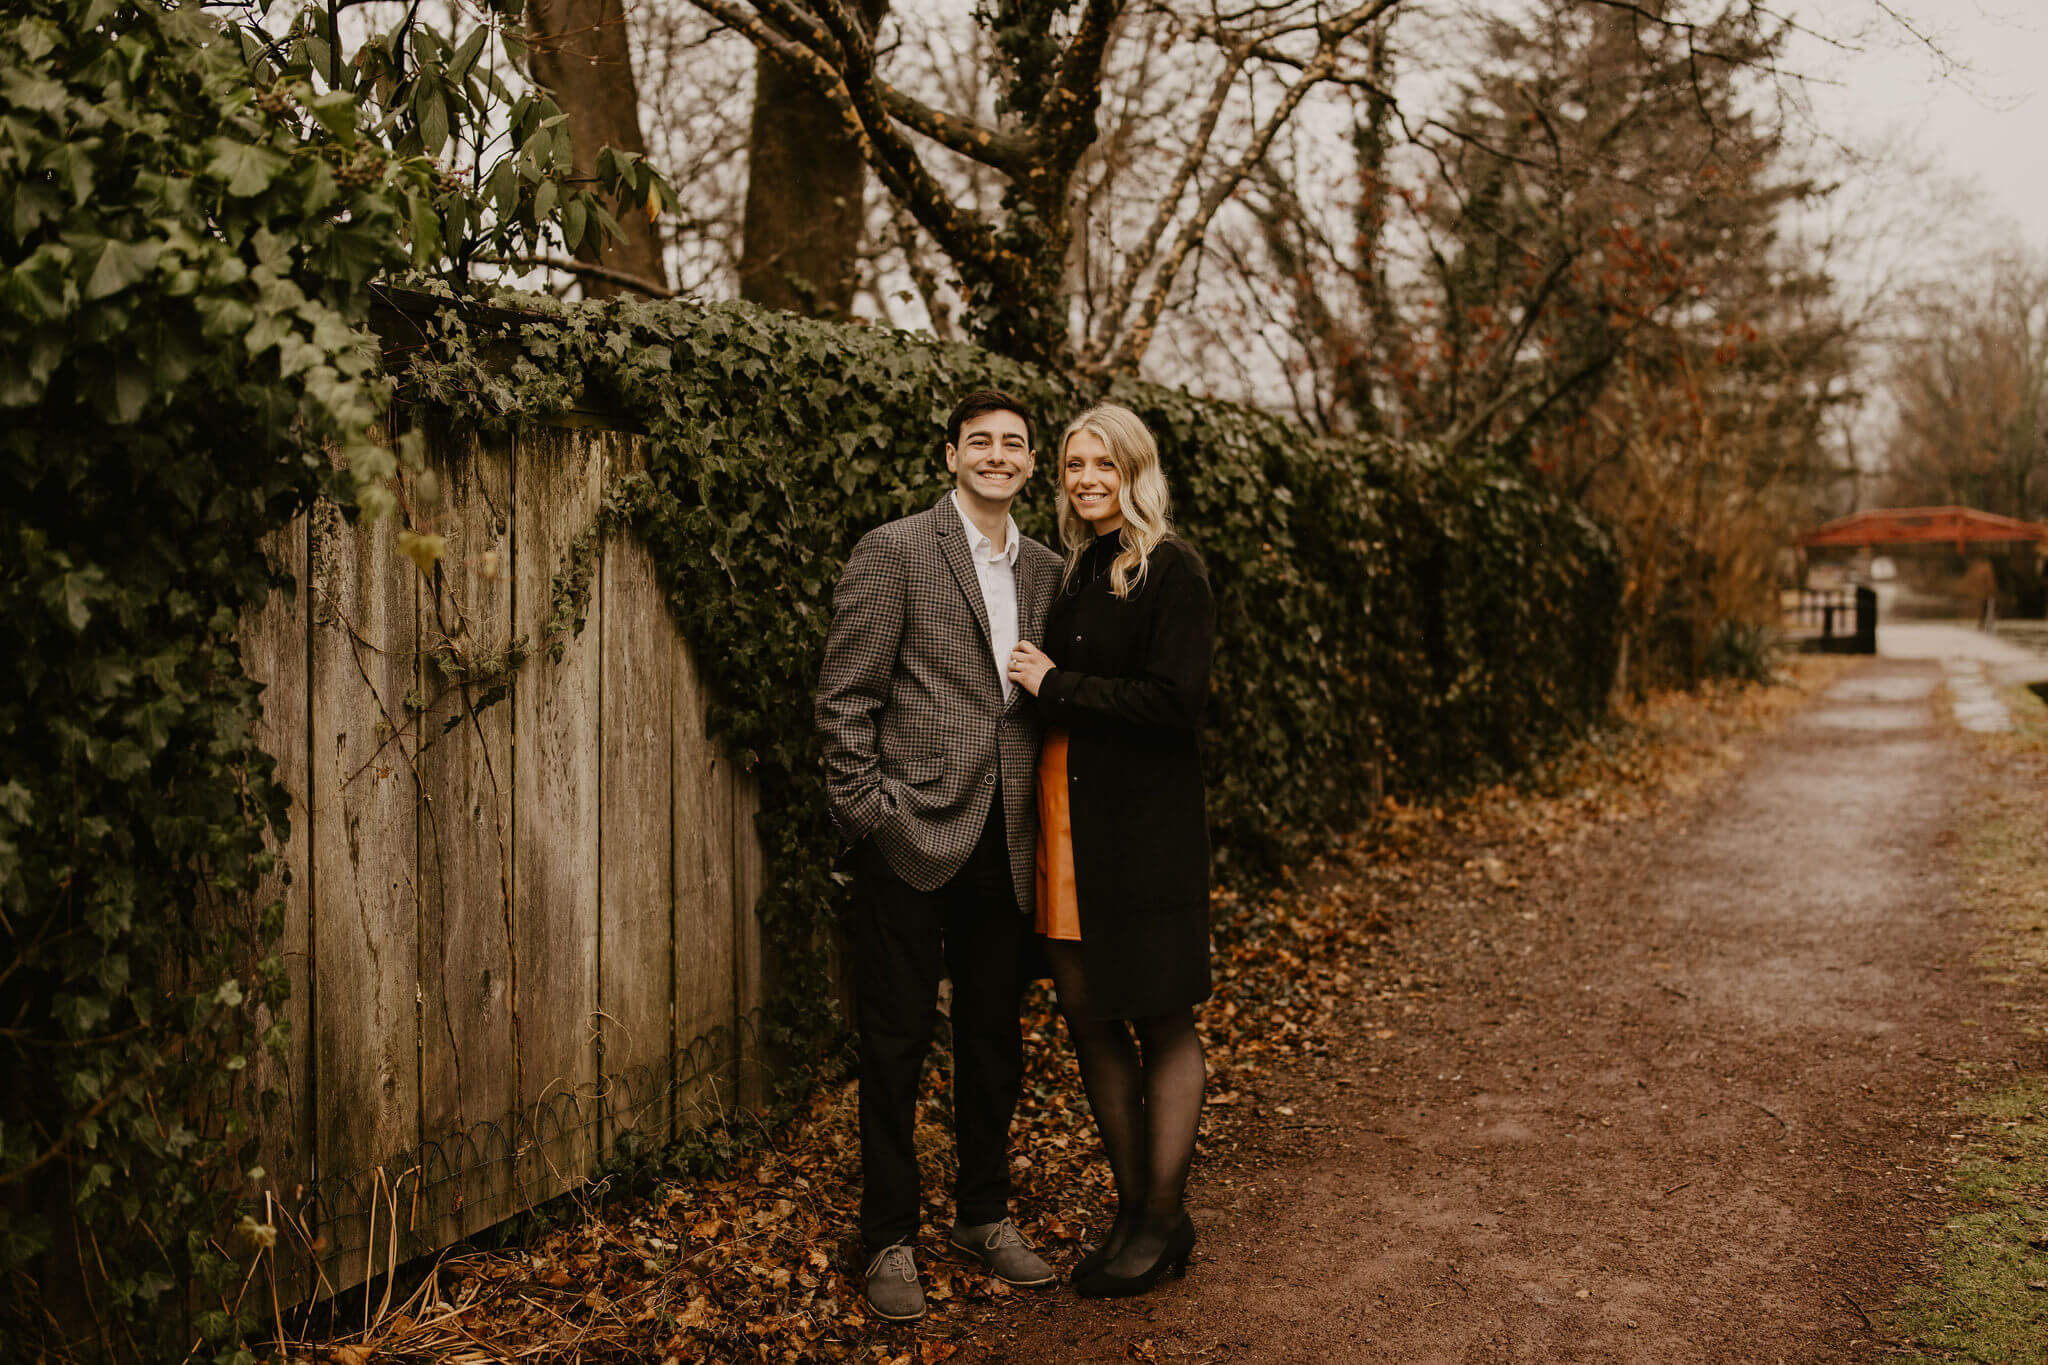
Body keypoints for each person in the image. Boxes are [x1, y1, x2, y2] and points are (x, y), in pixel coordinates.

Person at [814, 389, 1065, 1323]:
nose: (998, 455)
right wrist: (871, 816)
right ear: (951, 456)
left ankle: (983, 1215)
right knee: (896, 1039)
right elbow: (845, 697)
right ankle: (887, 1235)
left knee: (994, 1041)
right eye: (981, 442)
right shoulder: (895, 551)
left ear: (1030, 464)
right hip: (911, 832)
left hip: (1006, 841)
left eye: (1015, 444)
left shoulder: (1045, 567)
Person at [1005, 403, 1217, 1299]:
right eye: (1074, 464)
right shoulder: (1077, 570)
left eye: (1105, 463)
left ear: (1137, 469)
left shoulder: (1173, 569)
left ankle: (1164, 1218)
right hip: (1065, 825)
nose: (1087, 478)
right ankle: (1135, 1214)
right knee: (1091, 1017)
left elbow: (1176, 703)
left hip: (1144, 837)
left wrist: (1058, 683)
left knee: (1161, 1016)